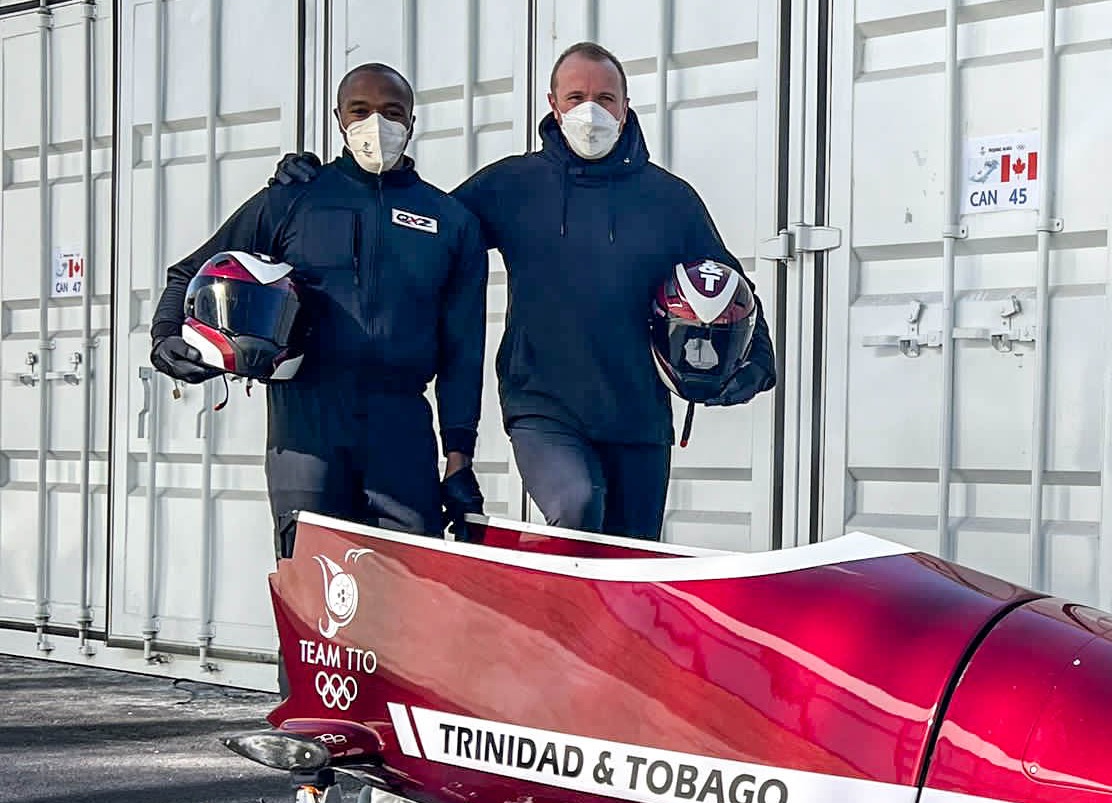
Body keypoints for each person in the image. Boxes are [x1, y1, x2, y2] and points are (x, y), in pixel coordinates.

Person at [273, 42, 775, 540]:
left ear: (626, 107)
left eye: (605, 98)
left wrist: (755, 366)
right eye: (576, 97)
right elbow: (422, 227)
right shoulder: (514, 184)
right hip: (543, 407)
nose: (590, 111)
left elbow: (731, 288)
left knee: (632, 558)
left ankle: (564, 622)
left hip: (639, 416)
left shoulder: (670, 200)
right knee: (578, 505)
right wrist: (330, 186)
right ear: (553, 105)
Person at [154, 62, 487, 558]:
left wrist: (459, 457)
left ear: (412, 123)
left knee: (412, 591)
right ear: (339, 119)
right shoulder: (292, 199)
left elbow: (464, 350)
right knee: (312, 589)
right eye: (361, 110)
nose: (378, 124)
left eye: (393, 112)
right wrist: (167, 339)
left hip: (400, 425)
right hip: (306, 425)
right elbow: (189, 273)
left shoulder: (450, 221)